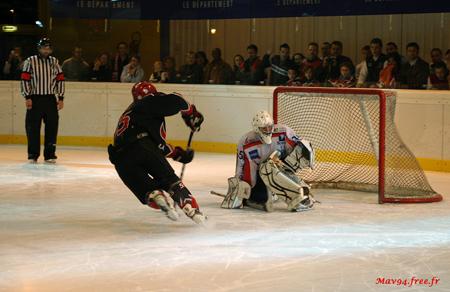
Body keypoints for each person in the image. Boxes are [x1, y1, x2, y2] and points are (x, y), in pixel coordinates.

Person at [107, 81, 206, 224]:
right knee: (170, 181)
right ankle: (193, 211)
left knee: (147, 191)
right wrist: (191, 113)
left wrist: (178, 154)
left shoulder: (130, 113)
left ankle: (156, 195)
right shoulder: (150, 101)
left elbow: (158, 147)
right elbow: (177, 99)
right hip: (143, 147)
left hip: (120, 160)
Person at [220, 111, 316, 212]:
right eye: (264, 128)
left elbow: (301, 145)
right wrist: (243, 188)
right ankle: (293, 197)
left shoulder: (284, 131)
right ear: (257, 128)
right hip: (261, 173)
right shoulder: (246, 142)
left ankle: (296, 187)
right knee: (267, 168)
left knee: (293, 155)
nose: (268, 130)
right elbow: (242, 167)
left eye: (269, 127)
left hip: (280, 165)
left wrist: (307, 153)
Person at [20, 37, 65, 163]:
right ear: (39, 48)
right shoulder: (30, 61)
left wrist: (60, 97)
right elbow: (25, 79)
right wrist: (27, 97)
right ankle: (33, 155)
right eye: (44, 48)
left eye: (48, 48)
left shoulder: (54, 61)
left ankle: (50, 154)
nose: (46, 50)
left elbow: (60, 79)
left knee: (52, 127)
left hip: (50, 98)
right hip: (35, 98)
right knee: (32, 128)